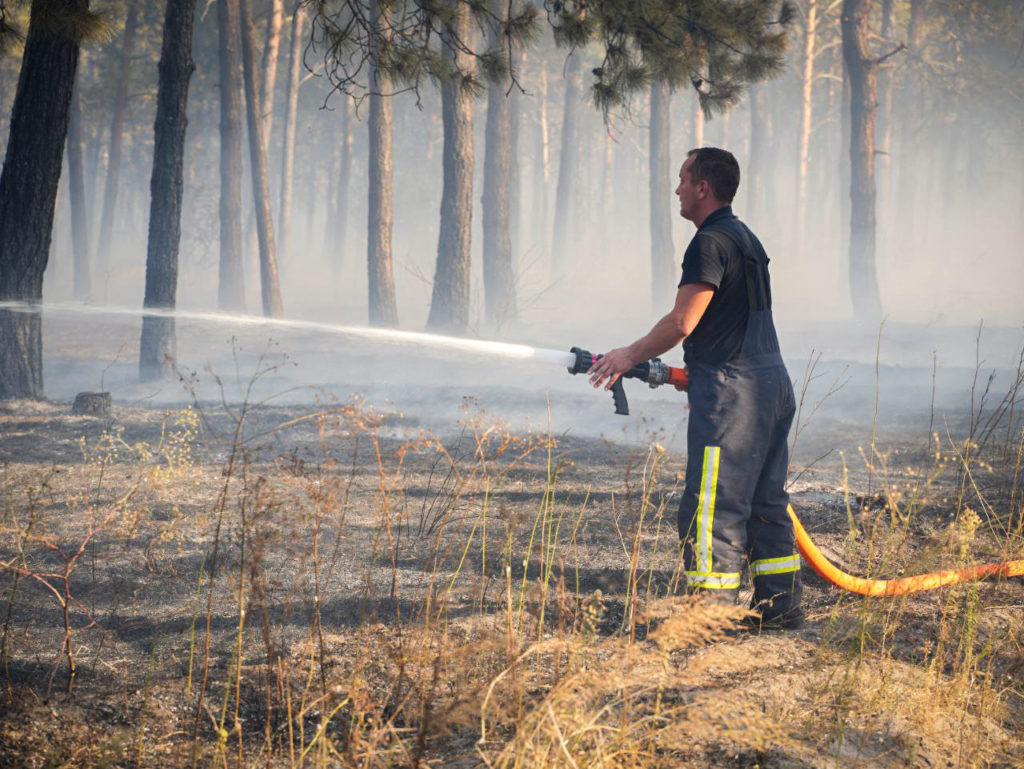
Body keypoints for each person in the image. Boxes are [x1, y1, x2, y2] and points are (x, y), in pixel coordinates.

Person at [588, 147, 803, 629]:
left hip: (734, 396)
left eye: (683, 179)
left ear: (704, 187)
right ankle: (779, 608)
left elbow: (682, 322)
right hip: (771, 386)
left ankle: (708, 619)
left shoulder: (708, 243)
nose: (678, 189)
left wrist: (628, 355)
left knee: (713, 507)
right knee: (766, 502)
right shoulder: (745, 237)